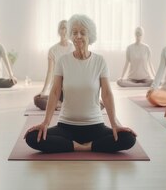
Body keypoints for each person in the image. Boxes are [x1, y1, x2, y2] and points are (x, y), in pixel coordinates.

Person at [25, 14, 137, 153]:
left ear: (90, 36)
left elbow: (107, 94)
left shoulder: (99, 61)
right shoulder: (63, 61)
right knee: (32, 137)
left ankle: (83, 146)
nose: (78, 36)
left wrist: (114, 124)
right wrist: (45, 123)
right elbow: (54, 93)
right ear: (71, 36)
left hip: (95, 126)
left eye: (82, 33)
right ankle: (80, 146)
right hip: (66, 126)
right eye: (74, 32)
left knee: (128, 138)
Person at [34, 20, 74, 110]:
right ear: (59, 31)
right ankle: (62, 104)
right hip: (57, 88)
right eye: (63, 28)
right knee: (37, 99)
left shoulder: (74, 48)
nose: (64, 31)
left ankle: (60, 104)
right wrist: (44, 90)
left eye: (67, 29)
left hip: (71, 88)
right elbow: (50, 72)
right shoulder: (53, 50)